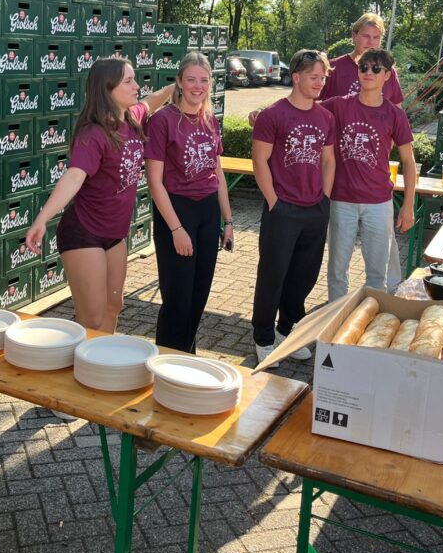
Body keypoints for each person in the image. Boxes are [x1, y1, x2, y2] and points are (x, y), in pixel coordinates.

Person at [25, 58, 174, 334]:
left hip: (114, 234)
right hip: (83, 233)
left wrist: (179, 84)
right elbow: (73, 177)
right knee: (91, 318)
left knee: (113, 306)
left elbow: (152, 100)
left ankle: (100, 367)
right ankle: (68, 362)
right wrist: (42, 219)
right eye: (128, 81)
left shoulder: (132, 117)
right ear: (107, 89)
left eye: (134, 79)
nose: (136, 86)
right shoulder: (93, 134)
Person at [250, 49, 335, 367]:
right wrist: (274, 201)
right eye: (314, 77)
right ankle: (263, 337)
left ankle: (286, 331)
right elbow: (259, 161)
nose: (319, 82)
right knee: (273, 274)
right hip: (282, 209)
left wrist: (324, 198)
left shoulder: (325, 117)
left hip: (315, 209)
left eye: (323, 77)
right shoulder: (273, 115)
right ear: (296, 77)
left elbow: (329, 159)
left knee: (304, 276)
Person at [145, 52, 234, 353]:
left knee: (199, 293)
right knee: (177, 296)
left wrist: (229, 220)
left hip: (208, 211)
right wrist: (176, 229)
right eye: (192, 79)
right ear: (180, 82)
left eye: (204, 80)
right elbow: (154, 181)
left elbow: (217, 171)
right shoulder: (162, 121)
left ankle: (187, 357)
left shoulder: (210, 119)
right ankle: (167, 364)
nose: (198, 86)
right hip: (176, 210)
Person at [324, 47, 416, 299]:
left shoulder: (394, 114)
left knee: (378, 274)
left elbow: (409, 161)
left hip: (379, 202)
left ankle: (371, 326)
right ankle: (335, 324)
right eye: (364, 67)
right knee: (337, 272)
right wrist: (263, 113)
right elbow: (303, 107)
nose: (368, 72)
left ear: (388, 76)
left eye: (376, 68)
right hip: (341, 199)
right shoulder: (338, 106)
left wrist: (408, 206)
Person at [318, 12, 404, 104]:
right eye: (366, 36)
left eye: (376, 37)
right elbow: (309, 104)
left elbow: (397, 108)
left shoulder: (387, 71)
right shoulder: (332, 68)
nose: (371, 42)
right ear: (354, 36)